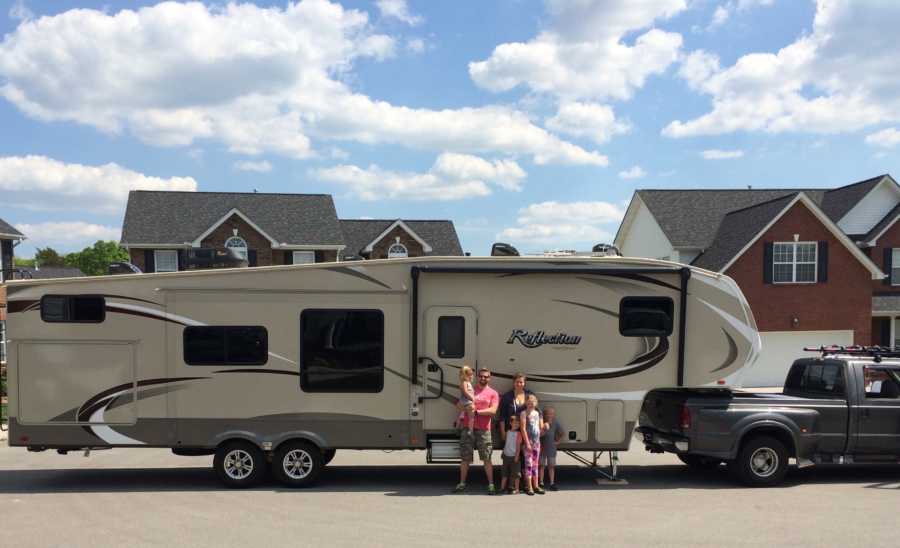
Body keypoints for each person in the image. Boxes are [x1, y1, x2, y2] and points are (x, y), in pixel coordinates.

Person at [454, 368, 499, 495]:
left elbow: (493, 411)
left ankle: (491, 484)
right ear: (477, 377)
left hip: (484, 429)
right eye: (481, 376)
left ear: (489, 378)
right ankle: (462, 483)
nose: (483, 378)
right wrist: (467, 408)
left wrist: (477, 412)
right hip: (468, 428)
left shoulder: (493, 393)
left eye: (486, 376)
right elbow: (458, 405)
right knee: (465, 458)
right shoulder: (470, 389)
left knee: (487, 458)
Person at [519, 394, 545, 495]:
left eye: (533, 402)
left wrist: (544, 428)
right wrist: (527, 443)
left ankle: (536, 485)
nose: (531, 404)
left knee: (535, 464)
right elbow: (523, 428)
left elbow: (539, 427)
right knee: (528, 464)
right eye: (529, 402)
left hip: (536, 442)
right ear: (526, 403)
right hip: (528, 443)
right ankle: (529, 487)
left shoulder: (537, 413)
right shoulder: (523, 413)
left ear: (536, 403)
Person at [498, 373, 533, 441]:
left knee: (526, 451)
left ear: (524, 383)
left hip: (526, 432)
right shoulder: (507, 397)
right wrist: (503, 433)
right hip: (511, 431)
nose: (519, 384)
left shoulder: (529, 395)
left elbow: (537, 412)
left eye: (521, 382)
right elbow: (502, 417)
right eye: (517, 382)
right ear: (513, 382)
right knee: (511, 451)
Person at [539, 405, 564, 491]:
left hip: (551, 448)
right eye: (548, 414)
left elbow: (562, 433)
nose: (550, 415)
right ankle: (541, 482)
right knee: (541, 465)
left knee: (551, 466)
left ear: (554, 415)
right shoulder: (541, 422)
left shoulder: (556, 422)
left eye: (552, 414)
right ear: (545, 415)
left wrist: (558, 442)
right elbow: (539, 434)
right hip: (542, 447)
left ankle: (552, 483)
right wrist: (545, 427)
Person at [500, 415, 522, 494]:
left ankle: (516, 489)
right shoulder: (507, 432)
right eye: (515, 423)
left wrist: (517, 456)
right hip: (506, 455)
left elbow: (518, 446)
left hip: (514, 456)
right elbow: (506, 443)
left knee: (516, 474)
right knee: (504, 473)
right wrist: (503, 452)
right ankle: (502, 488)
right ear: (510, 423)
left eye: (518, 423)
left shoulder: (519, 434)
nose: (516, 425)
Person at [457, 365, 476, 434]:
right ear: (465, 375)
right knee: (471, 417)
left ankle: (460, 425)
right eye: (470, 375)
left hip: (465, 402)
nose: (472, 376)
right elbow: (465, 392)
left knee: (465, 416)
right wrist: (472, 398)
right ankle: (470, 430)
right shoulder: (464, 383)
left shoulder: (468, 383)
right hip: (466, 402)